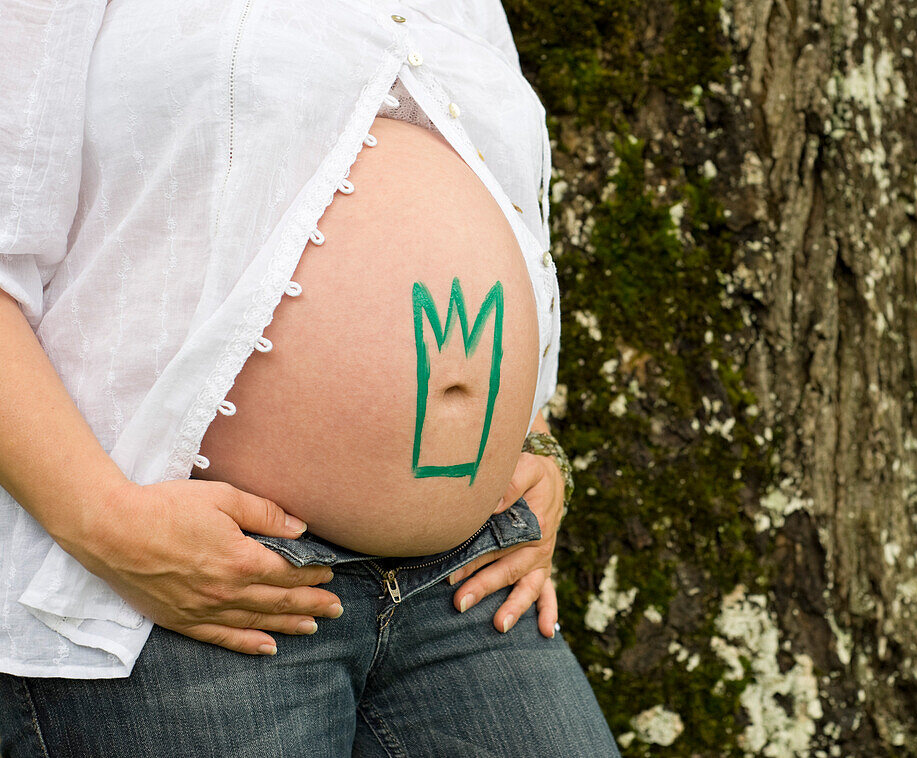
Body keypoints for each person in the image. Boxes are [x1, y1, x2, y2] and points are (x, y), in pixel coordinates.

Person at [0, 1, 620, 755]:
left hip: (468, 577)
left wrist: (535, 444)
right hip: (196, 586)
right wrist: (104, 520)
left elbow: (510, 218)